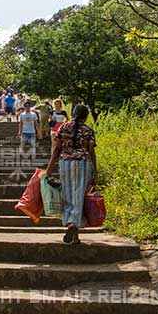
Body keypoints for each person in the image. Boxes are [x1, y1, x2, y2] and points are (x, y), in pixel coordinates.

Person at [44, 104, 97, 245]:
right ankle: (75, 233)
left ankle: (70, 225)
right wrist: (95, 172)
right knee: (79, 197)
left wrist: (48, 170)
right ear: (86, 116)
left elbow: (56, 149)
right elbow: (91, 151)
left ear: (73, 114)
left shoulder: (63, 128)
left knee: (67, 195)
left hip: (66, 164)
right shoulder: (88, 130)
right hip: (83, 164)